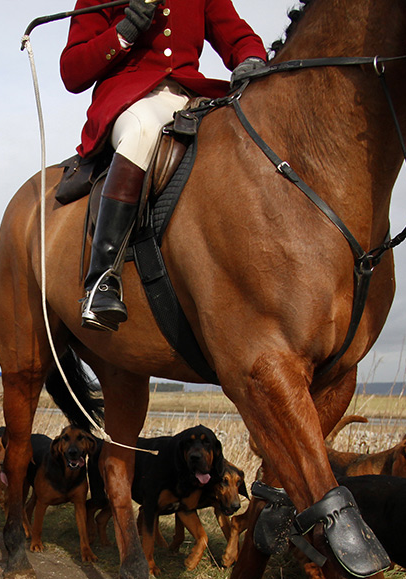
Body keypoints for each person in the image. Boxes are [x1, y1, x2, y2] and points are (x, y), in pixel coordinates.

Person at [61, 0, 266, 331]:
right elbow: (72, 71)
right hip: (130, 98)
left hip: (192, 97)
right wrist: (123, 34)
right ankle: (102, 280)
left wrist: (251, 58)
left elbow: (236, 35)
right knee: (143, 130)